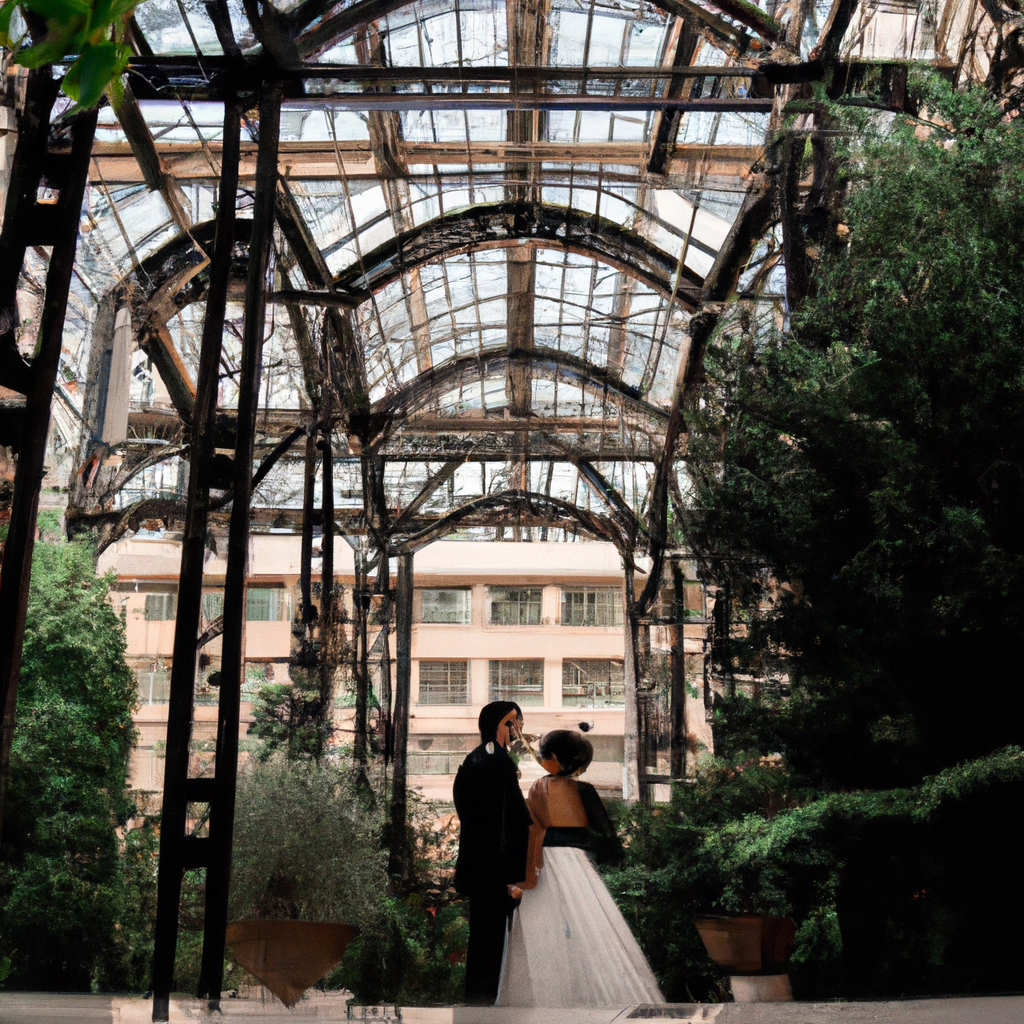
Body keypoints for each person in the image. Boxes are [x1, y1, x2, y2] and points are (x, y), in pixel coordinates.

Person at [495, 729, 665, 1008]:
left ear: (553, 758)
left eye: (544, 755)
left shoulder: (540, 786)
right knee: (591, 923)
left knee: (545, 931)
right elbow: (604, 833)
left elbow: (532, 829)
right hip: (580, 862)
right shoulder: (584, 790)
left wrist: (519, 875)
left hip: (547, 860)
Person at [452, 700, 531, 1005]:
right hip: (494, 868)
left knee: (483, 936)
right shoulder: (496, 762)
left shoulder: (475, 759)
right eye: (509, 723)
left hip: (479, 864)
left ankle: (479, 999)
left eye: (516, 722)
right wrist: (512, 874)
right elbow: (507, 819)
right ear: (495, 725)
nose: (515, 729)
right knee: (491, 937)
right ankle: (484, 1002)